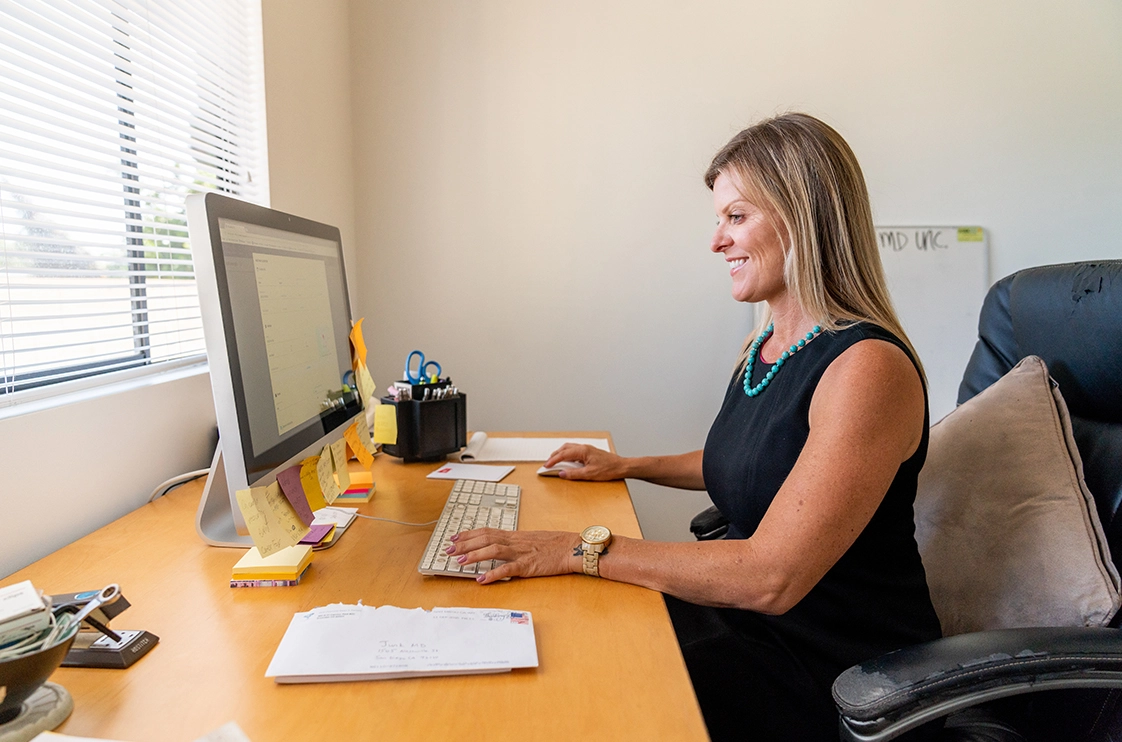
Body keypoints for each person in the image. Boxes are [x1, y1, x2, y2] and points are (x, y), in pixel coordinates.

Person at [445, 112, 941, 741]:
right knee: (561, 630)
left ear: (802, 219)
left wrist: (577, 547)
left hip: (835, 670)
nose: (717, 242)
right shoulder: (767, 348)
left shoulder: (867, 368)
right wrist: (627, 467)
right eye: (719, 221)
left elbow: (772, 576)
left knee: (583, 681)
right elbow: (745, 460)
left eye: (737, 217)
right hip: (750, 623)